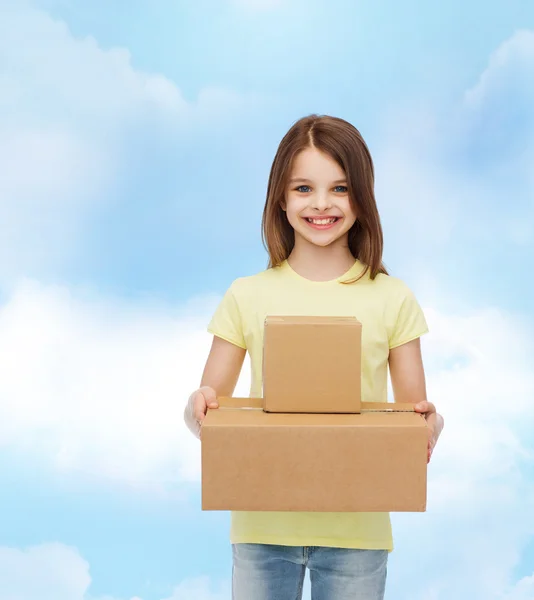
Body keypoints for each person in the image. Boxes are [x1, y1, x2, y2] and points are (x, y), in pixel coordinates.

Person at [184, 114, 444, 600]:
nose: (321, 204)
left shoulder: (392, 298)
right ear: (281, 199)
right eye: (303, 188)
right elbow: (210, 411)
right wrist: (195, 408)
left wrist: (431, 426)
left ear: (362, 199)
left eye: (340, 188)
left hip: (358, 531)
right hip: (262, 526)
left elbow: (411, 417)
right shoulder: (247, 295)